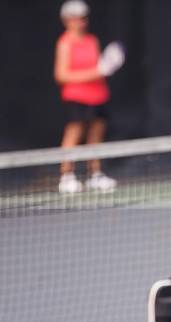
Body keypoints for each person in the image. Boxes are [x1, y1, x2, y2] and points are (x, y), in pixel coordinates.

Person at [54, 0, 122, 193]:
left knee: (96, 135)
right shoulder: (65, 43)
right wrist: (97, 71)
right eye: (75, 18)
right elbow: (61, 75)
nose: (80, 22)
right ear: (66, 20)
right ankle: (66, 176)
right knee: (74, 133)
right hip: (76, 97)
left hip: (98, 95)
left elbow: (100, 68)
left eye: (83, 18)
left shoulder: (92, 41)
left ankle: (95, 174)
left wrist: (105, 68)